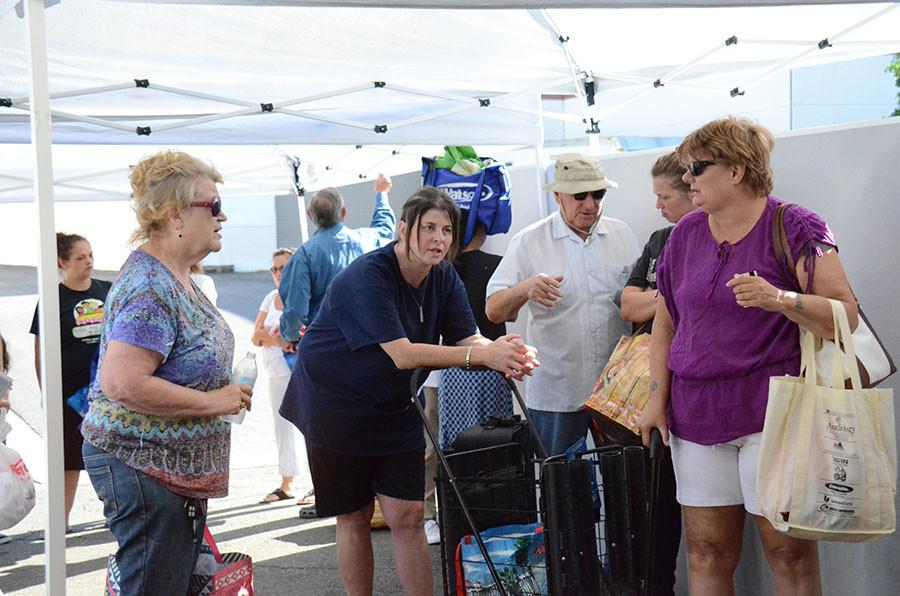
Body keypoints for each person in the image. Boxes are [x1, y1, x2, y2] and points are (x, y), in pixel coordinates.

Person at [279, 187, 539, 596]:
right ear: (403, 230)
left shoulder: (444, 275)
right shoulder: (369, 275)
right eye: (429, 228)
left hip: (394, 404)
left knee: (409, 516)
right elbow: (402, 354)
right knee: (355, 515)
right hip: (334, 405)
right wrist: (482, 357)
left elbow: (464, 336)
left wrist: (504, 351)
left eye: (447, 230)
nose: (439, 238)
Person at [638, 117, 857, 596]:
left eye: (696, 167)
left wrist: (781, 299)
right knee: (706, 553)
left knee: (788, 554)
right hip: (695, 415)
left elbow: (846, 314)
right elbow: (666, 324)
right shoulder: (685, 234)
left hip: (773, 413)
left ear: (736, 170)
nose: (687, 178)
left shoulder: (795, 224)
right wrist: (657, 397)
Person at [79, 150, 251, 594]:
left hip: (162, 469)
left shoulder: (176, 275)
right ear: (175, 214)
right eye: (212, 206)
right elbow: (123, 382)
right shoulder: (151, 284)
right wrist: (213, 401)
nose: (223, 215)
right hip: (144, 466)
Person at [486, 153, 639, 456]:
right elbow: (493, 309)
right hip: (557, 391)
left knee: (627, 485)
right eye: (580, 194)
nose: (590, 203)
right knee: (564, 487)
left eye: (598, 194)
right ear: (557, 195)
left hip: (617, 391)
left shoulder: (621, 234)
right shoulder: (530, 241)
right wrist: (526, 289)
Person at [618, 151, 696, 596]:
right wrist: (667, 297)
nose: (658, 205)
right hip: (649, 391)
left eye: (664, 196)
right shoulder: (658, 240)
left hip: (692, 391)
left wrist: (658, 297)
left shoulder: (710, 237)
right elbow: (629, 306)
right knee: (655, 505)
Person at [423, 213, 514, 545]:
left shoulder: (439, 272)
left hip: (447, 371)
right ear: (483, 230)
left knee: (450, 448)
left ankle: (453, 520)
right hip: (489, 367)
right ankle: (497, 520)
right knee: (496, 444)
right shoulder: (496, 264)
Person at [30, 232, 112, 530]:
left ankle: (115, 513)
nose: (89, 262)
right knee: (69, 459)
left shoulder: (108, 290)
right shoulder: (52, 299)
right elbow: (41, 351)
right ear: (61, 262)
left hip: (108, 391)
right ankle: (60, 520)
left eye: (90, 255)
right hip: (69, 393)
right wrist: (47, 392)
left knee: (112, 453)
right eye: (80, 257)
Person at [279, 173, 396, 342]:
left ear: (309, 215)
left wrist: (292, 337)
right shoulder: (366, 241)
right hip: (366, 340)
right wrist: (382, 194)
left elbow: (296, 311)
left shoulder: (304, 256)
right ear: (343, 212)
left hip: (324, 344)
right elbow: (385, 229)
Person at [253, 247, 314, 505]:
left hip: (302, 369)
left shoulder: (302, 295)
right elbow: (255, 336)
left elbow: (305, 332)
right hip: (277, 371)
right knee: (282, 426)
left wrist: (274, 337)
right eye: (274, 268)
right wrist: (280, 340)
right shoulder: (270, 298)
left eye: (284, 268)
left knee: (311, 426)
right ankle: (287, 483)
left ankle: (318, 483)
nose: (278, 273)